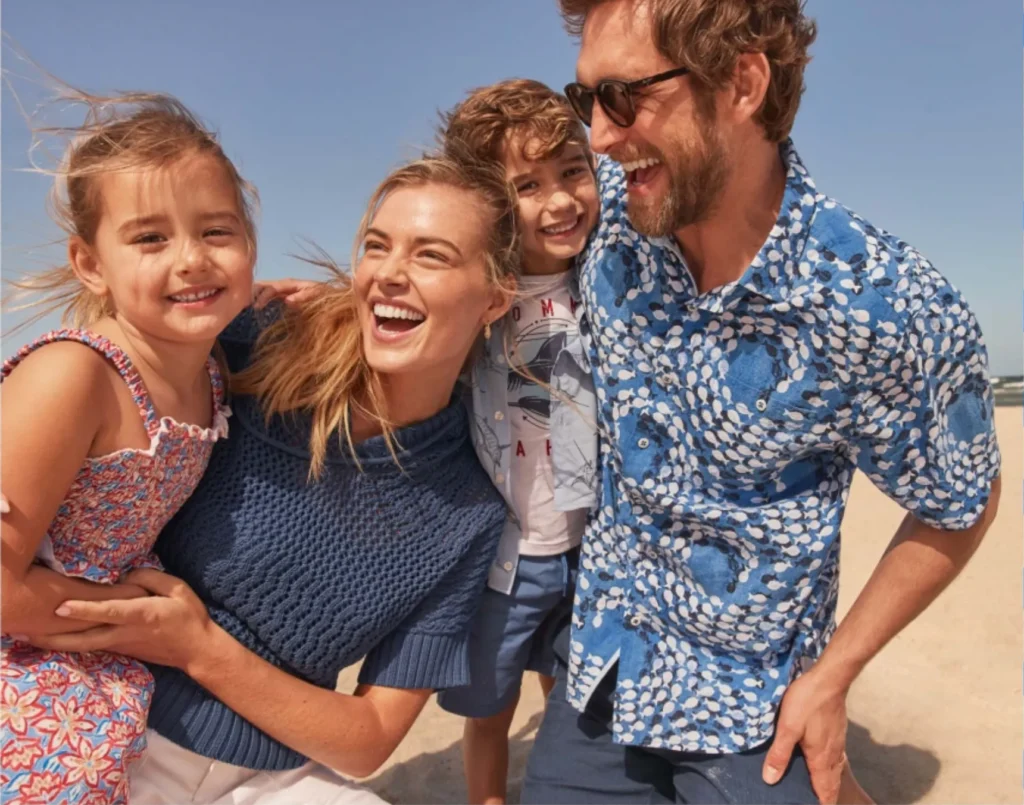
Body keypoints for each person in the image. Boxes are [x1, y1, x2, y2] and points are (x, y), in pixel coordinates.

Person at [520, 1, 1002, 804]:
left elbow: (962, 498)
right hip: (608, 657)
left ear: (742, 81)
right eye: (587, 102)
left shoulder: (880, 302)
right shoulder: (608, 209)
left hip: (756, 704)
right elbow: (466, 236)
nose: (599, 138)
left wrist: (835, 674)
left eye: (624, 98)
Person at [22, 152, 520, 803]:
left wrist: (199, 646)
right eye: (377, 246)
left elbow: (369, 738)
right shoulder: (260, 341)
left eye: (431, 255)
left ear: (494, 298)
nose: (390, 275)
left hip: (271, 775)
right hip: (108, 721)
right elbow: (109, 360)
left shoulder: (467, 512)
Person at [1, 92, 256, 804]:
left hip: (98, 658)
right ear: (89, 263)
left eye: (217, 231)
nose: (191, 260)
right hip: (30, 655)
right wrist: (120, 613)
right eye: (149, 238)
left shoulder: (211, 368)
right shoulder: (75, 376)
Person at [433, 79, 600, 804]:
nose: (559, 200)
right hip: (506, 554)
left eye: (572, 170)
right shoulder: (476, 296)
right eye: (527, 185)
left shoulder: (610, 281)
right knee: (488, 710)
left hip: (590, 543)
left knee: (567, 683)